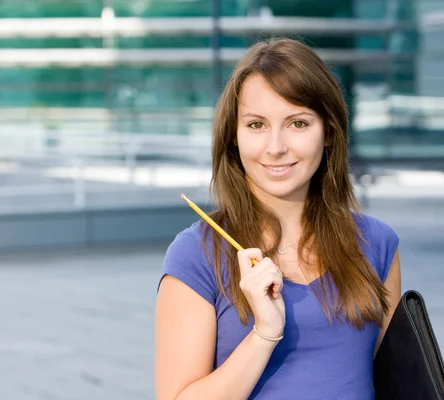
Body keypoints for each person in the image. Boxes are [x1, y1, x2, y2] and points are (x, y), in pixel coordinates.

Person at [154, 37, 401, 400]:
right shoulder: (197, 255)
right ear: (234, 137)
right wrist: (264, 335)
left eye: (298, 123)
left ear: (329, 131)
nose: (275, 147)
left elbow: (394, 382)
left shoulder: (377, 244)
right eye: (256, 125)